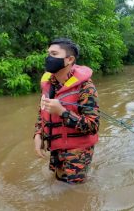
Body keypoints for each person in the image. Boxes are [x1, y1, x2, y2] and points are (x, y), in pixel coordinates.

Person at [34, 38, 100, 184]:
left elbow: (93, 126)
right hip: (56, 147)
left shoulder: (86, 88)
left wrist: (63, 112)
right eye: (48, 53)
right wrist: (38, 134)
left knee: (73, 191)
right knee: (57, 182)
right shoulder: (48, 83)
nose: (48, 58)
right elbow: (42, 111)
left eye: (54, 53)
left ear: (69, 59)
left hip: (78, 151)